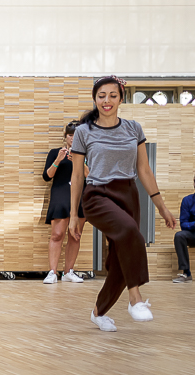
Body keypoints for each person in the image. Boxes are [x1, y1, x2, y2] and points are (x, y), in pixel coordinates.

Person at [67, 76, 177, 331]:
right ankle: (135, 297)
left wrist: (161, 206)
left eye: (112, 95)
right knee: (130, 231)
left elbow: (144, 170)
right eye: (101, 95)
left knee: (120, 259)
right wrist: (74, 214)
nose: (107, 101)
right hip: (97, 195)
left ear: (121, 98)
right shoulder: (84, 132)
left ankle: (98, 311)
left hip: (128, 193)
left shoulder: (133, 128)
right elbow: (76, 175)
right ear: (95, 98)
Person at [41, 123, 85, 285]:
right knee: (57, 234)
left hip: (80, 195)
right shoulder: (55, 153)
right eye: (70, 135)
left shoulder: (86, 154)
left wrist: (79, 161)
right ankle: (52, 272)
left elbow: (92, 176)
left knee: (75, 235)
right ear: (65, 137)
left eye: (76, 135)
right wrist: (58, 160)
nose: (72, 138)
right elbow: (47, 176)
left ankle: (68, 272)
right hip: (60, 194)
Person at [173, 174, 194, 284]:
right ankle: (186, 273)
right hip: (192, 235)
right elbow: (184, 224)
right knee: (179, 235)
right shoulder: (187, 201)